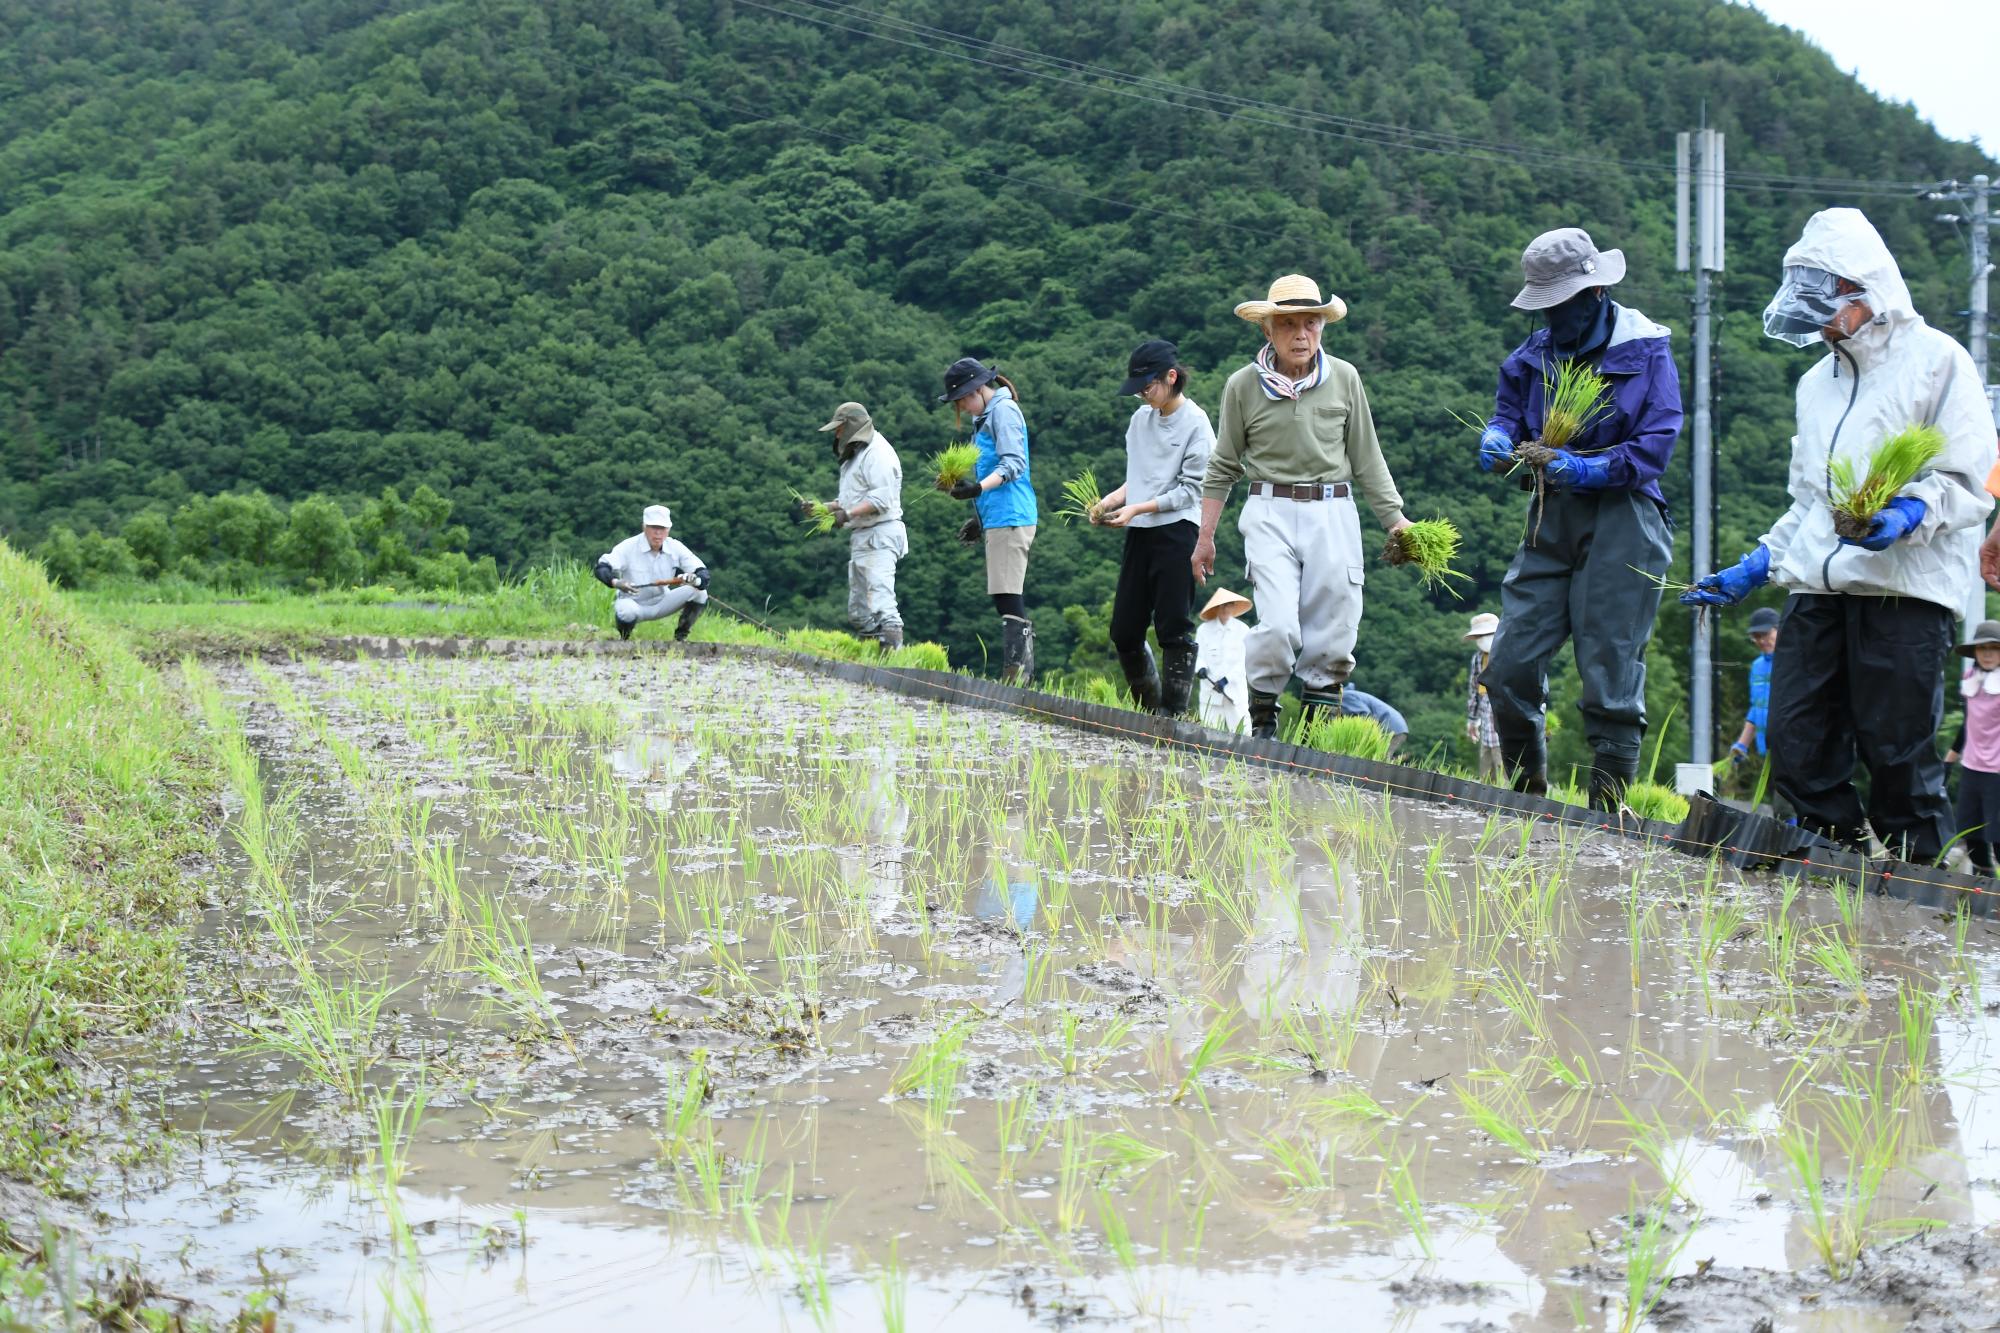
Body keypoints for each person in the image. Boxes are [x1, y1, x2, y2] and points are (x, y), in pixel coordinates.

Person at [1683, 208, 1996, 861]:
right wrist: (1757, 563)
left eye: (1825, 304)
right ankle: (1837, 866)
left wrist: (1908, 515)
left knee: (1897, 755)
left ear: (1866, 291)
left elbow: (1970, 478)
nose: (1818, 321)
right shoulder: (1813, 385)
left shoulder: (1938, 361)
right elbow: (1808, 503)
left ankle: (1923, 892)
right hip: (1819, 591)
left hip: (1905, 591)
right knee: (1795, 743)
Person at [1477, 227, 1683, 810]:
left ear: (1594, 294)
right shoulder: (1532, 355)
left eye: (1560, 305)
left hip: (1625, 515)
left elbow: (1656, 445)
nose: (1551, 318)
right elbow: (1509, 414)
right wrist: (1498, 437)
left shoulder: (1645, 349)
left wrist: (1588, 468)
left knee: (1610, 662)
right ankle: (1526, 795)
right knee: (1510, 663)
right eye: (1543, 307)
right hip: (1550, 515)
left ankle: (1606, 811)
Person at [1193, 274, 1414, 739]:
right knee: (1276, 626)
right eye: (1289, 324)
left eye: (1310, 324)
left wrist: (1395, 520)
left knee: (1334, 627)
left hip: (1333, 509)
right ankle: (1264, 727)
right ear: (1267, 330)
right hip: (1269, 508)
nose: (1301, 334)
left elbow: (1366, 456)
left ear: (1322, 328)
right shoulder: (1242, 386)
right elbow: (1223, 465)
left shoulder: (1345, 379)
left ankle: (1318, 740)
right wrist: (1205, 536)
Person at [1092, 339, 1215, 715]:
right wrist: (1111, 502)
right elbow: (1140, 479)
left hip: (1178, 529)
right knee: (1124, 630)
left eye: (1148, 388)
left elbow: (1189, 491)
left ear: (1171, 377)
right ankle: (1148, 709)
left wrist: (1135, 508)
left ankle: (1172, 716)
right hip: (1141, 529)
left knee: (1173, 625)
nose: (1144, 397)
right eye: (1139, 390)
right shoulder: (1140, 420)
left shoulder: (1196, 423)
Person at [940, 357, 1038, 684]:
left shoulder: (1003, 412)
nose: (964, 407)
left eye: (964, 399)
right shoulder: (986, 415)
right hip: (998, 516)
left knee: (1007, 593)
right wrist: (979, 517)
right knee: (1003, 593)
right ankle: (1017, 673)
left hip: (1012, 514)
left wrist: (978, 489)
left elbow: (1013, 465)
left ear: (979, 389)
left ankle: (1019, 675)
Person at [801, 401, 907, 650]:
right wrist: (823, 508)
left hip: (880, 534)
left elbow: (880, 500)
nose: (837, 434)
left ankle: (894, 657)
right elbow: (851, 499)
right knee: (859, 611)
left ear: (852, 426)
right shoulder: (857, 455)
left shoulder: (877, 453)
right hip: (862, 536)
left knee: (882, 602)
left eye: (839, 428)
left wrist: (846, 515)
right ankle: (873, 654)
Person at [594, 504, 710, 642]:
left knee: (700, 593)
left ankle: (681, 636)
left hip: (663, 602)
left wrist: (695, 579)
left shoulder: (675, 547)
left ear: (668, 530)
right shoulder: (629, 546)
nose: (658, 533)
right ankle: (624, 639)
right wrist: (616, 582)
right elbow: (601, 568)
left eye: (662, 528)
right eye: (654, 528)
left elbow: (703, 573)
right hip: (633, 602)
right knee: (626, 611)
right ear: (644, 527)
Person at [1945, 621, 2000, 875]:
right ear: (1975, 653)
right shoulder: (1970, 679)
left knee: (1998, 839)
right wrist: (1949, 760)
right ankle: (1985, 887)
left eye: (1994, 648)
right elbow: (1968, 724)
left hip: (1998, 772)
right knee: (1972, 834)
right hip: (1972, 768)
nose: (1988, 654)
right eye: (1982, 648)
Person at [1727, 607, 1780, 770]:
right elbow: (1756, 709)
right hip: (1768, 751)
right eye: (1756, 636)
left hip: (1795, 747)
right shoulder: (1757, 666)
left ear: (1779, 630)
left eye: (1765, 634)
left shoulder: (1794, 661)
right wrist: (1741, 745)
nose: (1761, 640)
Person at [1195, 586, 1252, 734]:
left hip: (1235, 693)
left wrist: (1226, 680)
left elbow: (1243, 663)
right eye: (1222, 605)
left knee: (1243, 734)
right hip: (1210, 691)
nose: (1225, 609)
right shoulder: (1203, 630)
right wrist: (1200, 668)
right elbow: (1198, 655)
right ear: (1216, 607)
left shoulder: (1243, 630)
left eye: (1229, 605)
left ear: (1234, 607)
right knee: (1209, 734)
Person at [1463, 611, 1503, 782]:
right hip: (1487, 726)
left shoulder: (1508, 654)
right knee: (1486, 775)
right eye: (1481, 636)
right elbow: (1475, 691)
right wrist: (1473, 721)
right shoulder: (1478, 659)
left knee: (1505, 774)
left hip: (1504, 729)